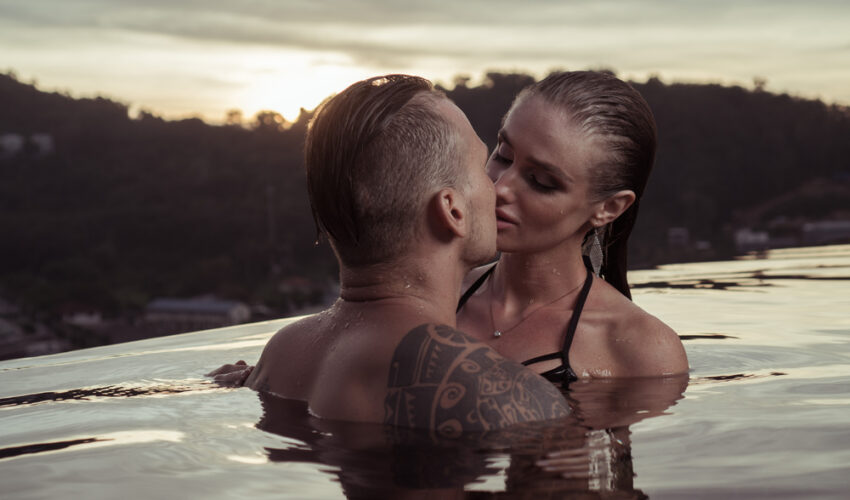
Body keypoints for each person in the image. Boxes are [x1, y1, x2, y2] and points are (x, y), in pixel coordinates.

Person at [231, 74, 569, 433]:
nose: (497, 188)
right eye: (482, 169)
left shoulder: (282, 353)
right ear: (452, 211)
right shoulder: (503, 393)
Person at [455, 71, 688, 384]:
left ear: (609, 208)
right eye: (503, 155)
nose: (500, 188)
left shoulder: (639, 349)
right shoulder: (434, 298)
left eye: (541, 182)